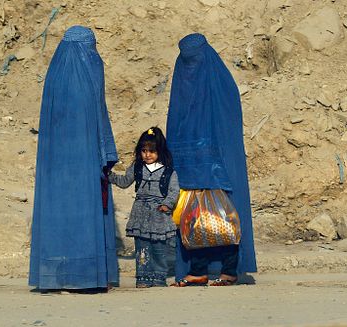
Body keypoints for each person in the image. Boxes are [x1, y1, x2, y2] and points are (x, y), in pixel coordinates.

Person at [29, 26, 119, 292]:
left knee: (59, 213)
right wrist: (107, 153)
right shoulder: (89, 73)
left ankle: (55, 277)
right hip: (85, 163)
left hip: (55, 166)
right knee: (84, 211)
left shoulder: (55, 76)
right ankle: (86, 276)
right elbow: (99, 119)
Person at [166, 33, 257, 287]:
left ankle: (228, 270)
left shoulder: (221, 84)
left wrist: (213, 158)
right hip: (192, 162)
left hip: (219, 164)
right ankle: (198, 270)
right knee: (195, 218)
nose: (190, 64)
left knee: (224, 216)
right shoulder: (183, 80)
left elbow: (226, 126)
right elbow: (177, 123)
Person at [108, 127, 179, 288]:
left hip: (159, 214)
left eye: (152, 151)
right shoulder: (137, 168)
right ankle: (143, 278)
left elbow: (174, 190)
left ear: (160, 151)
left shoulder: (169, 172)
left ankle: (159, 277)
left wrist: (166, 205)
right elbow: (124, 181)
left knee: (159, 248)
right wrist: (109, 175)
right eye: (144, 150)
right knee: (142, 247)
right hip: (140, 213)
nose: (147, 154)